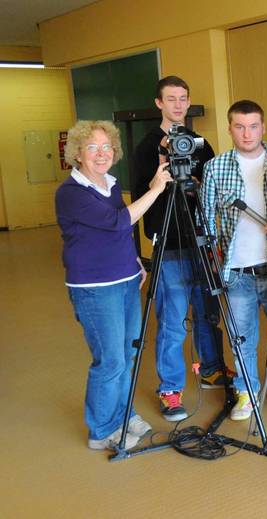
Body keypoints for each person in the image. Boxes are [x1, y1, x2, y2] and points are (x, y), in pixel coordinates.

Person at [56, 120, 171, 450]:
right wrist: (155, 190)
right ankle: (101, 429)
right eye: (92, 147)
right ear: (78, 153)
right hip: (94, 287)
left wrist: (135, 259)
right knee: (110, 361)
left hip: (124, 281)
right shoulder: (71, 193)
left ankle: (124, 413)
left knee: (128, 355)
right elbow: (119, 221)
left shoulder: (109, 183)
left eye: (106, 147)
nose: (101, 153)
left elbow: (122, 232)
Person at [200, 100, 267, 421]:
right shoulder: (215, 168)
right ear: (230, 128)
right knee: (241, 337)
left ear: (264, 127)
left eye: (253, 126)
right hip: (237, 272)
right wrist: (214, 263)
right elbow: (206, 221)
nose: (247, 133)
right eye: (240, 126)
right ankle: (247, 394)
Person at [133, 75, 227, 422]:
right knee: (172, 321)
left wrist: (198, 183)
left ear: (188, 102)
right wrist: (162, 181)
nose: (177, 104)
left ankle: (212, 370)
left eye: (183, 98)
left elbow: (213, 193)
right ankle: (170, 390)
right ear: (159, 103)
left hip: (200, 240)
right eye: (170, 99)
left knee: (207, 313)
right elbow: (140, 199)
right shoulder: (146, 147)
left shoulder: (200, 145)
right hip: (169, 244)